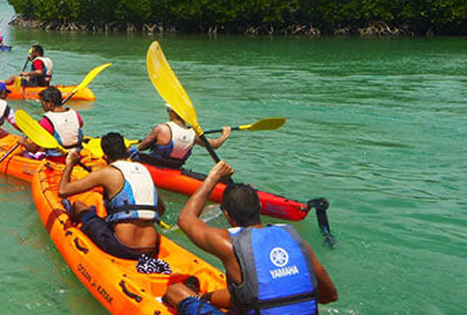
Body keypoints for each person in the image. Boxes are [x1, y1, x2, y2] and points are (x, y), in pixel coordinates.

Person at [164, 161, 338, 315]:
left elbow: (185, 219)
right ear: (260, 207)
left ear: (227, 215)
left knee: (176, 291)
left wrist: (213, 177)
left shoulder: (230, 244)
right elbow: (330, 296)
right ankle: (207, 298)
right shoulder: (294, 239)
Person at [58, 132, 167, 263]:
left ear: (105, 157)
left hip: (121, 247)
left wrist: (70, 163)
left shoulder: (107, 173)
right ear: (126, 150)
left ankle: (77, 233)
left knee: (78, 206)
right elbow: (161, 209)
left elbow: (63, 190)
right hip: (150, 248)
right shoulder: (144, 170)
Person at [130, 104, 232, 168]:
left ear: (172, 112)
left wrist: (153, 141)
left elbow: (141, 147)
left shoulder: (162, 129)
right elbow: (214, 145)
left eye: (168, 110)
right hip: (176, 166)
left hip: (155, 164)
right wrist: (225, 135)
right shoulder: (194, 133)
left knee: (129, 151)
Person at [22, 86, 82, 162]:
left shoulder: (46, 121)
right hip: (77, 154)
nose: (42, 107)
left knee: (25, 154)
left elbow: (34, 148)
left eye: (42, 103)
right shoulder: (76, 114)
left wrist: (23, 142)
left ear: (49, 104)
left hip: (57, 159)